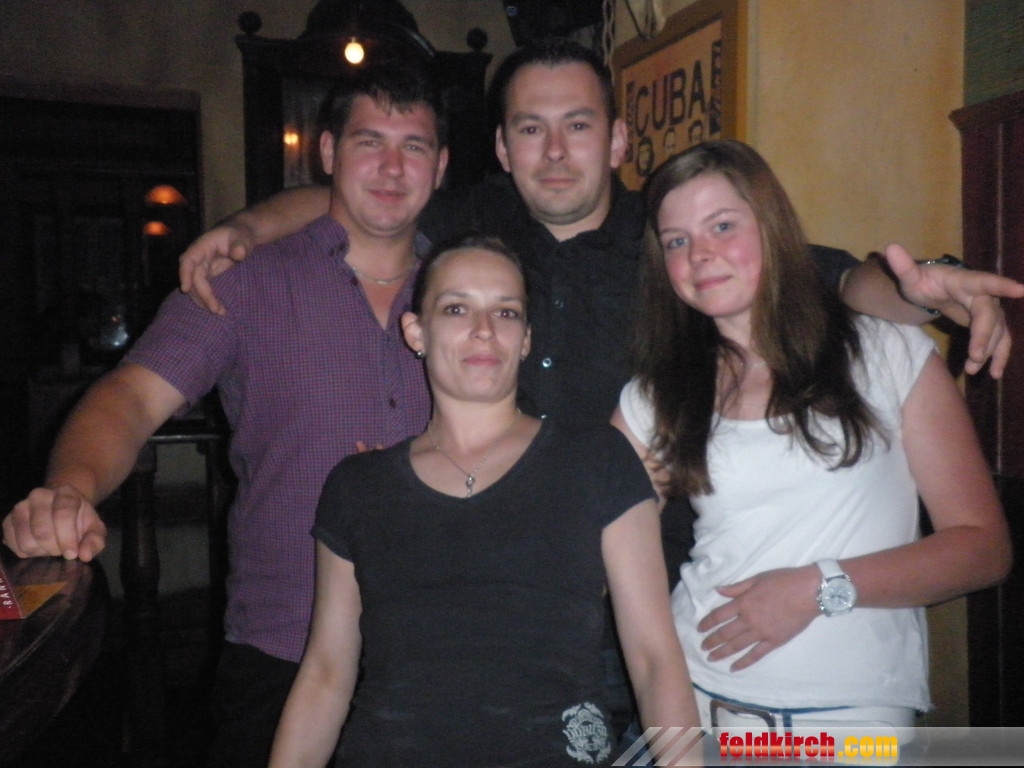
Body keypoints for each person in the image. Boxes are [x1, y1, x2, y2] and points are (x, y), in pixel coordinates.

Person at [173, 35, 1023, 744]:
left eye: (577, 126)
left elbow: (823, 276)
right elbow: (362, 203)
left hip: (659, 639)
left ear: (617, 141)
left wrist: (925, 286)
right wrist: (243, 228)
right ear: (502, 149)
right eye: (531, 129)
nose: (554, 151)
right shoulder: (474, 225)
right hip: (532, 631)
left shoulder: (669, 239)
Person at [2, 59, 448, 767]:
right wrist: (70, 490)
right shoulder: (243, 280)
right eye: (369, 142)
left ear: (441, 166)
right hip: (283, 648)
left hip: (443, 649)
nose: (392, 167)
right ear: (328, 152)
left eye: (413, 146)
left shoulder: (468, 290)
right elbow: (130, 397)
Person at [611, 140, 1012, 733]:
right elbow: (588, 544)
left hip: (856, 724)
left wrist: (818, 587)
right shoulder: (656, 395)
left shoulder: (886, 352)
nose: (700, 254)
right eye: (676, 240)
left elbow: (984, 549)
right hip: (702, 706)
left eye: (722, 226)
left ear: (771, 226)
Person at [268, 235, 699, 767]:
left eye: (506, 312)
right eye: (457, 308)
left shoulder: (597, 460)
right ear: (416, 331)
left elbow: (655, 660)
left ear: (526, 339)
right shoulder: (358, 486)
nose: (484, 329)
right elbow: (326, 674)